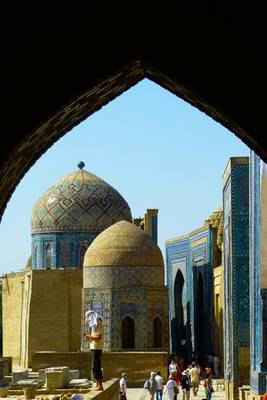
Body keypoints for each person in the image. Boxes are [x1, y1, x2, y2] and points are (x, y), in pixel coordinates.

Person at [84, 310, 104, 391]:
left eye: (89, 318)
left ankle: (100, 386)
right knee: (95, 367)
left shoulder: (99, 323)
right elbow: (94, 336)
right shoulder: (94, 325)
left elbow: (98, 337)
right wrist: (89, 336)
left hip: (97, 348)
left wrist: (88, 335)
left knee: (96, 366)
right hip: (93, 347)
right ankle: (97, 385)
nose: (88, 320)